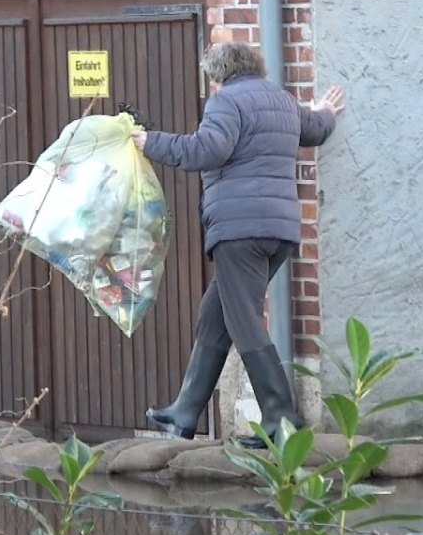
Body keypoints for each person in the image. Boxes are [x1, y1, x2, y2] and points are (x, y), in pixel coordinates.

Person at [131, 41, 345, 448]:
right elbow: (314, 130)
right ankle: (186, 409)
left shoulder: (226, 102)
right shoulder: (280, 100)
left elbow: (207, 150)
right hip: (278, 232)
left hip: (239, 230)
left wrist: (150, 142)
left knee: (244, 320)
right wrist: (326, 112)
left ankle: (282, 420)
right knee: (216, 314)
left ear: (218, 75)